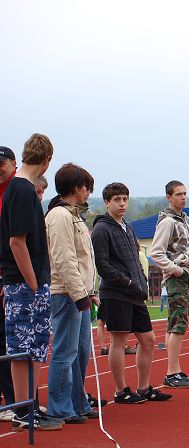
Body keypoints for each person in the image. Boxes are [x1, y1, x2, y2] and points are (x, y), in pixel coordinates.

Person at [0, 134, 63, 430]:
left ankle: (27, 409)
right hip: (26, 283)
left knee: (31, 349)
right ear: (47, 160)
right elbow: (17, 242)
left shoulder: (18, 187)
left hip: (24, 282)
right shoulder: (23, 189)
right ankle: (25, 412)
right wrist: (34, 285)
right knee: (26, 348)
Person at [91, 182, 172, 404]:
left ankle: (144, 388)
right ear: (107, 202)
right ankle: (121, 391)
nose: (122, 203)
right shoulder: (101, 229)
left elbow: (135, 260)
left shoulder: (128, 226)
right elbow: (102, 265)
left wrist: (142, 282)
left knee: (148, 340)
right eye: (117, 199)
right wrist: (126, 281)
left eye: (125, 199)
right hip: (116, 293)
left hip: (135, 293)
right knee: (119, 341)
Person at [45, 163, 97, 424]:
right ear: (76, 188)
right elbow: (64, 258)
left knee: (81, 351)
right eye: (86, 187)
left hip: (79, 294)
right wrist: (78, 294)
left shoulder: (75, 215)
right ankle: (60, 407)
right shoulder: (59, 216)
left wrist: (90, 290)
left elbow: (85, 259)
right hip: (66, 294)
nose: (88, 192)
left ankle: (77, 401)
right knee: (65, 353)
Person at [149, 180, 189, 388]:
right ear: (169, 197)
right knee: (179, 325)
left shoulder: (187, 220)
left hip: (188, 274)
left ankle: (176, 370)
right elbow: (156, 252)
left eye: (185, 193)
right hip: (178, 276)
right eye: (179, 194)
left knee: (176, 324)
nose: (183, 197)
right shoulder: (167, 221)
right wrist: (175, 269)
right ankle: (172, 374)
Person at [0, 146, 17, 420]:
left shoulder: (16, 190)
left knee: (10, 342)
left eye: (1, 163)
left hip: (10, 276)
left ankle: (17, 402)